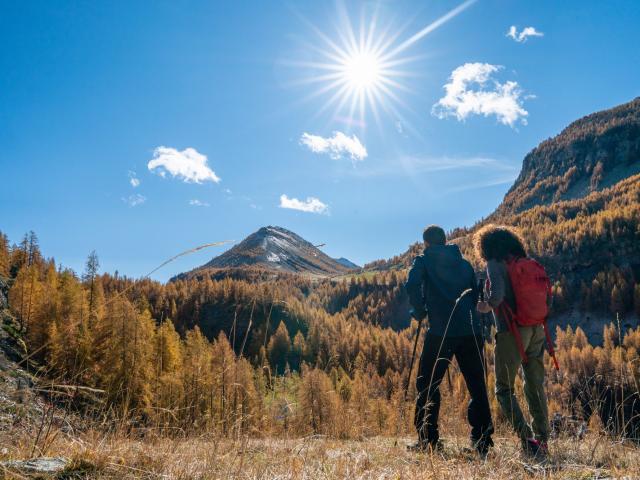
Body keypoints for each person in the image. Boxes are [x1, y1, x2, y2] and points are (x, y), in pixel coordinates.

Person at [405, 225, 493, 456]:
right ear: (445, 241)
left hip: (441, 331)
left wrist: (419, 309)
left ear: (426, 243)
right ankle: (482, 439)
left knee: (428, 384)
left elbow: (411, 284)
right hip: (470, 331)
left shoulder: (422, 261)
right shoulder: (463, 264)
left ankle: (428, 439)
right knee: (476, 385)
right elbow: (475, 294)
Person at [474, 225, 550, 458]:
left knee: (504, 389)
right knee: (534, 384)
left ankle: (526, 438)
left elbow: (496, 297)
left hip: (512, 332)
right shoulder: (523, 261)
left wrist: (482, 306)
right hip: (537, 328)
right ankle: (542, 439)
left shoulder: (495, 264)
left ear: (486, 246)